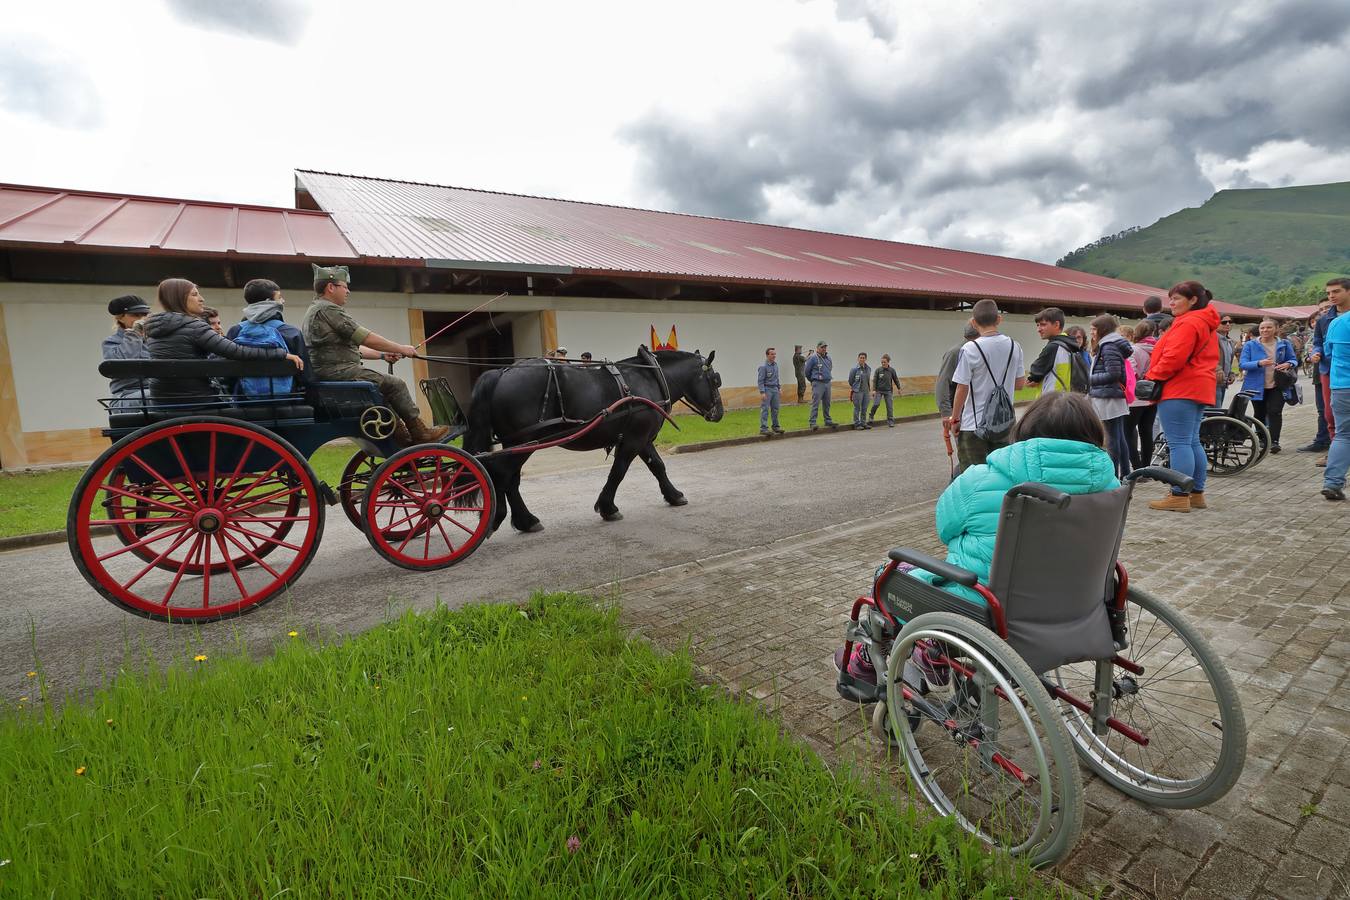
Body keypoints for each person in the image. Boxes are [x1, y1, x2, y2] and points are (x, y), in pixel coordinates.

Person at [833, 391, 1119, 685]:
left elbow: (944, 528)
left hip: (987, 611)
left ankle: (867, 665)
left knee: (889, 577)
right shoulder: (1112, 486)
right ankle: (932, 653)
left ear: (1026, 432)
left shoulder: (983, 478)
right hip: (1080, 606)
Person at [302, 264, 448, 445]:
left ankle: (401, 436)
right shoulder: (328, 310)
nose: (348, 291)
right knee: (396, 384)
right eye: (344, 286)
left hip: (331, 372)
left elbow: (350, 348)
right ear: (331, 287)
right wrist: (402, 348)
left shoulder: (315, 310)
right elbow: (366, 337)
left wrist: (382, 355)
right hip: (339, 373)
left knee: (383, 391)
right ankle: (420, 432)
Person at [143, 278, 303, 401]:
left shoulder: (154, 328)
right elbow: (236, 351)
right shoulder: (194, 327)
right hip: (195, 398)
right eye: (194, 294)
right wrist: (281, 354)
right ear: (178, 299)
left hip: (161, 396)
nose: (201, 299)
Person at [1142, 281, 1219, 513]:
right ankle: (1195, 493)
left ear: (1193, 299)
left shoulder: (1188, 322)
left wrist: (1152, 377)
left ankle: (1178, 494)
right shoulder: (1205, 322)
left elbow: (1174, 357)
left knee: (1179, 443)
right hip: (1198, 387)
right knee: (1191, 441)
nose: (1172, 303)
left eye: (1176, 299)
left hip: (1179, 388)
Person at [948, 299, 1026, 469]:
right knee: (1002, 474)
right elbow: (1020, 384)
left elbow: (962, 387)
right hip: (1005, 424)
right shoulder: (1015, 346)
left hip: (973, 425)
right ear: (999, 319)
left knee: (974, 477)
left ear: (974, 323)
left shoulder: (970, 349)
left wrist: (955, 419)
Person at [226, 278, 313, 388]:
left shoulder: (235, 331)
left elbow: (228, 374)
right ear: (268, 302)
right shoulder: (292, 333)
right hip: (288, 399)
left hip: (244, 400)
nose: (283, 301)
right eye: (279, 297)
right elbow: (305, 375)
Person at [1238, 317, 1298, 453]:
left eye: (1269, 327)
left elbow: (1294, 360)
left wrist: (1288, 364)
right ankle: (1262, 439)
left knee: (1275, 412)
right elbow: (1242, 364)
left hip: (1278, 384)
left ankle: (1274, 441)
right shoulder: (1250, 345)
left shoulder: (1284, 343)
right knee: (1260, 413)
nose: (1265, 330)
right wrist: (1259, 363)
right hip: (1256, 386)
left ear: (1276, 329)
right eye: (1262, 328)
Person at [1308, 280, 1350, 466]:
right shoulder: (1324, 319)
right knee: (1330, 414)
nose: (1332, 296)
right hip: (1331, 371)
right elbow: (1318, 341)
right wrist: (1315, 352)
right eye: (1329, 292)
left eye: (1336, 291)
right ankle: (1335, 453)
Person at [1088, 315, 1132, 478]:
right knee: (1118, 437)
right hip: (1111, 396)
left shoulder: (1108, 346)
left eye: (1094, 329)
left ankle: (1113, 475)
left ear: (1102, 329)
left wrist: (1090, 379)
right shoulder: (1111, 344)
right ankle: (1125, 474)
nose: (1091, 332)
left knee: (1112, 439)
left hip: (1107, 397)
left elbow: (1114, 373)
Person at [1320, 285, 1350, 500]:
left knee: (1343, 435)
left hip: (1341, 386)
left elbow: (1327, 352)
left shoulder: (1337, 323)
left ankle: (1332, 482)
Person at [102, 294, 151, 409]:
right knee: (157, 397)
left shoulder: (155, 340)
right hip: (127, 395)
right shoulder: (111, 342)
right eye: (135, 315)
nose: (141, 319)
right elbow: (124, 364)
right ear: (120, 317)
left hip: (155, 392)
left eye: (145, 315)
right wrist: (135, 334)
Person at [1301, 299, 1335, 454]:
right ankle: (1324, 441)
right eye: (1321, 309)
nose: (1325, 310)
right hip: (1321, 373)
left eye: (1328, 307)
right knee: (1324, 410)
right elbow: (1314, 347)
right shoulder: (1319, 328)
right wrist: (1313, 355)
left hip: (1340, 372)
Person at [1124, 319, 1159, 468]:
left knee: (1127, 432)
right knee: (1147, 432)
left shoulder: (1134, 349)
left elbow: (1130, 372)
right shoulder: (1158, 348)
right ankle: (1146, 466)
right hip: (1153, 396)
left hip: (1136, 398)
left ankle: (1137, 466)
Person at [1027, 307, 1084, 395]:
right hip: (1065, 398)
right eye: (1037, 325)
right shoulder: (1069, 345)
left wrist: (1032, 379)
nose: (1038, 329)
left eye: (1043, 324)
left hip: (1051, 400)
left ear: (1056, 325)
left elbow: (1033, 376)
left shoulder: (1053, 347)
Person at [936, 325, 980, 425]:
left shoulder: (980, 350)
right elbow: (943, 383)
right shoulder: (956, 353)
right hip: (962, 413)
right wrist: (947, 413)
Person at [803, 340, 835, 430]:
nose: (824, 349)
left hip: (827, 382)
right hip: (818, 383)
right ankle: (812, 422)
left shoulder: (828, 358)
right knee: (815, 403)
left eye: (825, 347)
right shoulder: (813, 358)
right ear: (817, 348)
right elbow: (806, 371)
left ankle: (827, 420)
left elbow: (830, 368)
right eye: (822, 347)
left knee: (827, 403)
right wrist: (813, 380)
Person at [756, 347, 784, 435]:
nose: (774, 356)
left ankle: (775, 426)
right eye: (772, 354)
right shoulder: (763, 367)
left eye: (775, 354)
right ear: (767, 355)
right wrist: (762, 392)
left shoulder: (775, 365)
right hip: (767, 389)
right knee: (765, 409)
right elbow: (760, 381)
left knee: (775, 409)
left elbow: (777, 378)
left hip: (775, 389)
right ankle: (763, 428)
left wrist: (779, 388)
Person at [869, 353, 902, 426]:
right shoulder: (878, 370)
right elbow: (874, 380)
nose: (883, 363)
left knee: (889, 406)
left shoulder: (892, 370)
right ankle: (871, 415)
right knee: (876, 404)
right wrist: (874, 390)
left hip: (888, 391)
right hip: (879, 391)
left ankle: (890, 421)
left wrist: (899, 388)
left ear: (888, 362)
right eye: (882, 362)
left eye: (884, 362)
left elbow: (896, 379)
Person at [1215, 315, 1237, 408]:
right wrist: (1217, 369)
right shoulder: (1211, 339)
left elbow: (1228, 361)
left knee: (1218, 411)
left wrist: (1231, 373)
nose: (1227, 324)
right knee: (1214, 414)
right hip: (1212, 382)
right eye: (1224, 322)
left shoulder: (1230, 342)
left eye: (1229, 322)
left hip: (1223, 382)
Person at [848, 352, 872, 430]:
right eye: (860, 357)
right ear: (858, 359)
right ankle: (857, 424)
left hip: (866, 391)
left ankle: (863, 423)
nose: (862, 359)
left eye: (863, 358)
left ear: (866, 359)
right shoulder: (854, 369)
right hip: (858, 391)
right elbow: (851, 381)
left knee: (864, 408)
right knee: (857, 408)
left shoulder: (868, 368)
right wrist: (855, 388)